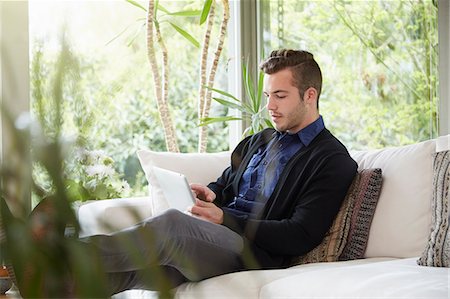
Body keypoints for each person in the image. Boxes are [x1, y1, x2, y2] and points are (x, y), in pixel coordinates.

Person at [3, 49, 358, 296]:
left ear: (310, 95)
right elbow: (227, 182)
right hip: (216, 236)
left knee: (173, 226)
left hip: (255, 252)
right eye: (268, 95)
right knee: (139, 272)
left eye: (280, 96)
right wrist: (213, 195)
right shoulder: (260, 140)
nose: (269, 106)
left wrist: (223, 220)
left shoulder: (332, 159)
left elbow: (300, 235)